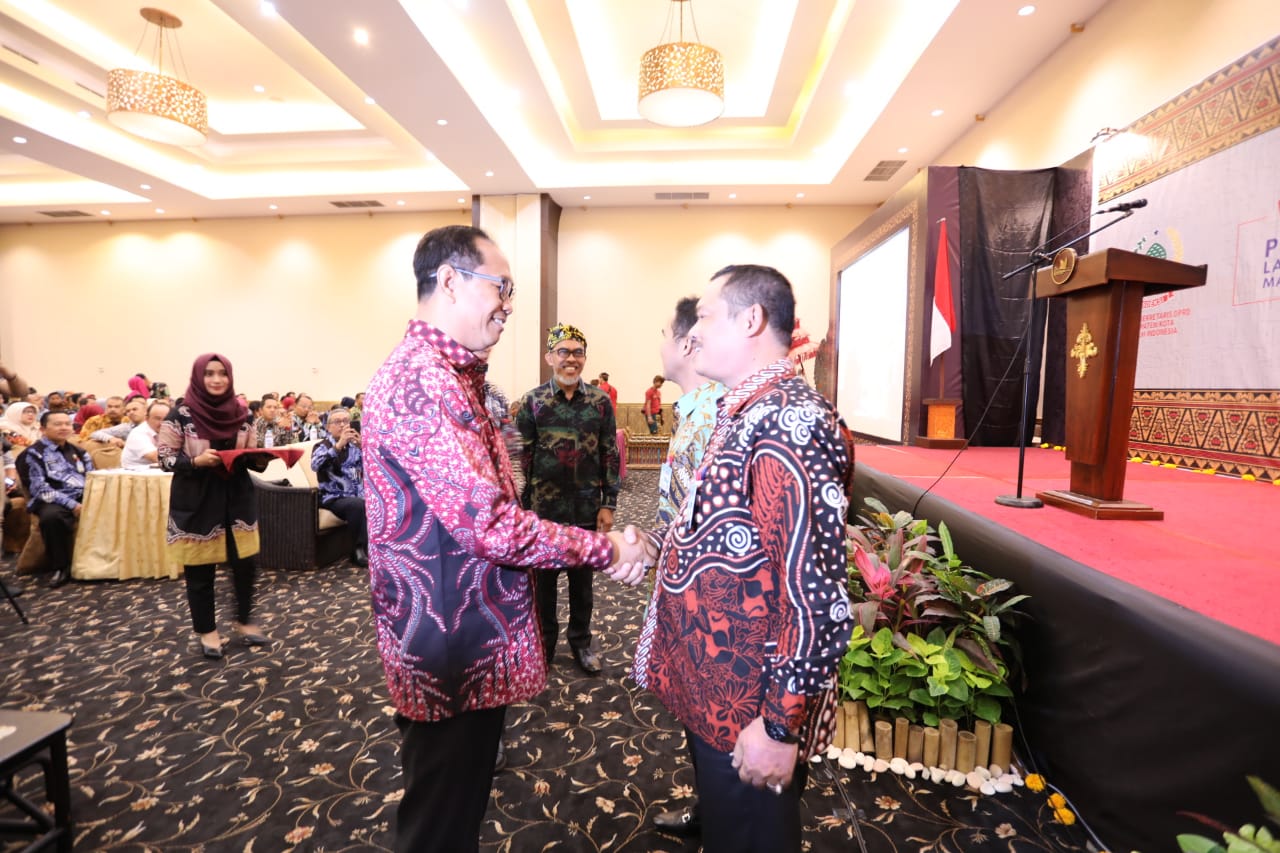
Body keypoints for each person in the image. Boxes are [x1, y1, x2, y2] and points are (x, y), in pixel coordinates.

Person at [363, 224, 653, 853]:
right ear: (449, 281)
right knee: (439, 824)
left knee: (455, 812)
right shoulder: (423, 381)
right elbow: (488, 523)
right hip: (447, 640)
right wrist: (607, 549)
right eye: (502, 287)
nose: (509, 305)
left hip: (464, 628)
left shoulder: (453, 375)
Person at [633, 264, 853, 853]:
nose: (693, 333)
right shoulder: (748, 409)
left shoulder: (790, 421)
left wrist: (779, 725)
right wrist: (654, 544)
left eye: (705, 317)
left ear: (751, 319)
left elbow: (813, 592)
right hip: (722, 689)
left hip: (751, 705)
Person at [646, 295, 728, 839]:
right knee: (699, 721)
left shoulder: (711, 416)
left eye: (663, 334)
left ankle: (722, 816)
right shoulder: (696, 411)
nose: (659, 344)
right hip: (689, 594)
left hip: (708, 607)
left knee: (712, 722)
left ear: (686, 343)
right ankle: (712, 808)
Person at [516, 323, 620, 676]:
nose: (571, 359)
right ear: (550, 357)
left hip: (586, 509)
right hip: (542, 512)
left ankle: (581, 642)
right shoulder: (532, 402)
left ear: (585, 359)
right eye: (563, 352)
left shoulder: (600, 402)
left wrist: (608, 503)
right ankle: (543, 644)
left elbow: (609, 453)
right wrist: (521, 509)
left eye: (578, 353)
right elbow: (521, 458)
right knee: (542, 586)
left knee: (582, 584)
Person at [157, 354, 269, 661]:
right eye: (209, 374)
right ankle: (207, 630)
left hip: (237, 497)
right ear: (198, 377)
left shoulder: (243, 414)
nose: (216, 380)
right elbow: (165, 458)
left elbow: (250, 454)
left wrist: (261, 457)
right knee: (200, 569)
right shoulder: (181, 414)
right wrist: (196, 461)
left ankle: (244, 620)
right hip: (197, 498)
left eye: (222, 374)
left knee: (245, 565)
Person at [21, 411, 93, 588]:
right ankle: (61, 567)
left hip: (83, 495)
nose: (64, 428)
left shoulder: (79, 451)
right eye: (57, 424)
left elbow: (92, 478)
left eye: (67, 424)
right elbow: (39, 488)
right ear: (43, 429)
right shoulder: (33, 454)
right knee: (51, 517)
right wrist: (73, 505)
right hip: (51, 499)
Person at [311, 407, 367, 567]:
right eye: (337, 422)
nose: (342, 425)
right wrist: (338, 446)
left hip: (357, 494)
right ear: (328, 427)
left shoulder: (355, 446)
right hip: (333, 497)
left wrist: (363, 448)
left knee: (378, 500)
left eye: (346, 421)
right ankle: (358, 550)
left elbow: (371, 468)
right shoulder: (322, 446)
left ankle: (380, 547)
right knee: (358, 505)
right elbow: (315, 465)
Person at [122, 402, 170, 470]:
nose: (162, 423)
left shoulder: (169, 430)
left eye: (166, 419)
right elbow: (157, 458)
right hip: (135, 473)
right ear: (147, 418)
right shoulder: (138, 433)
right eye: (157, 418)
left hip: (157, 471)